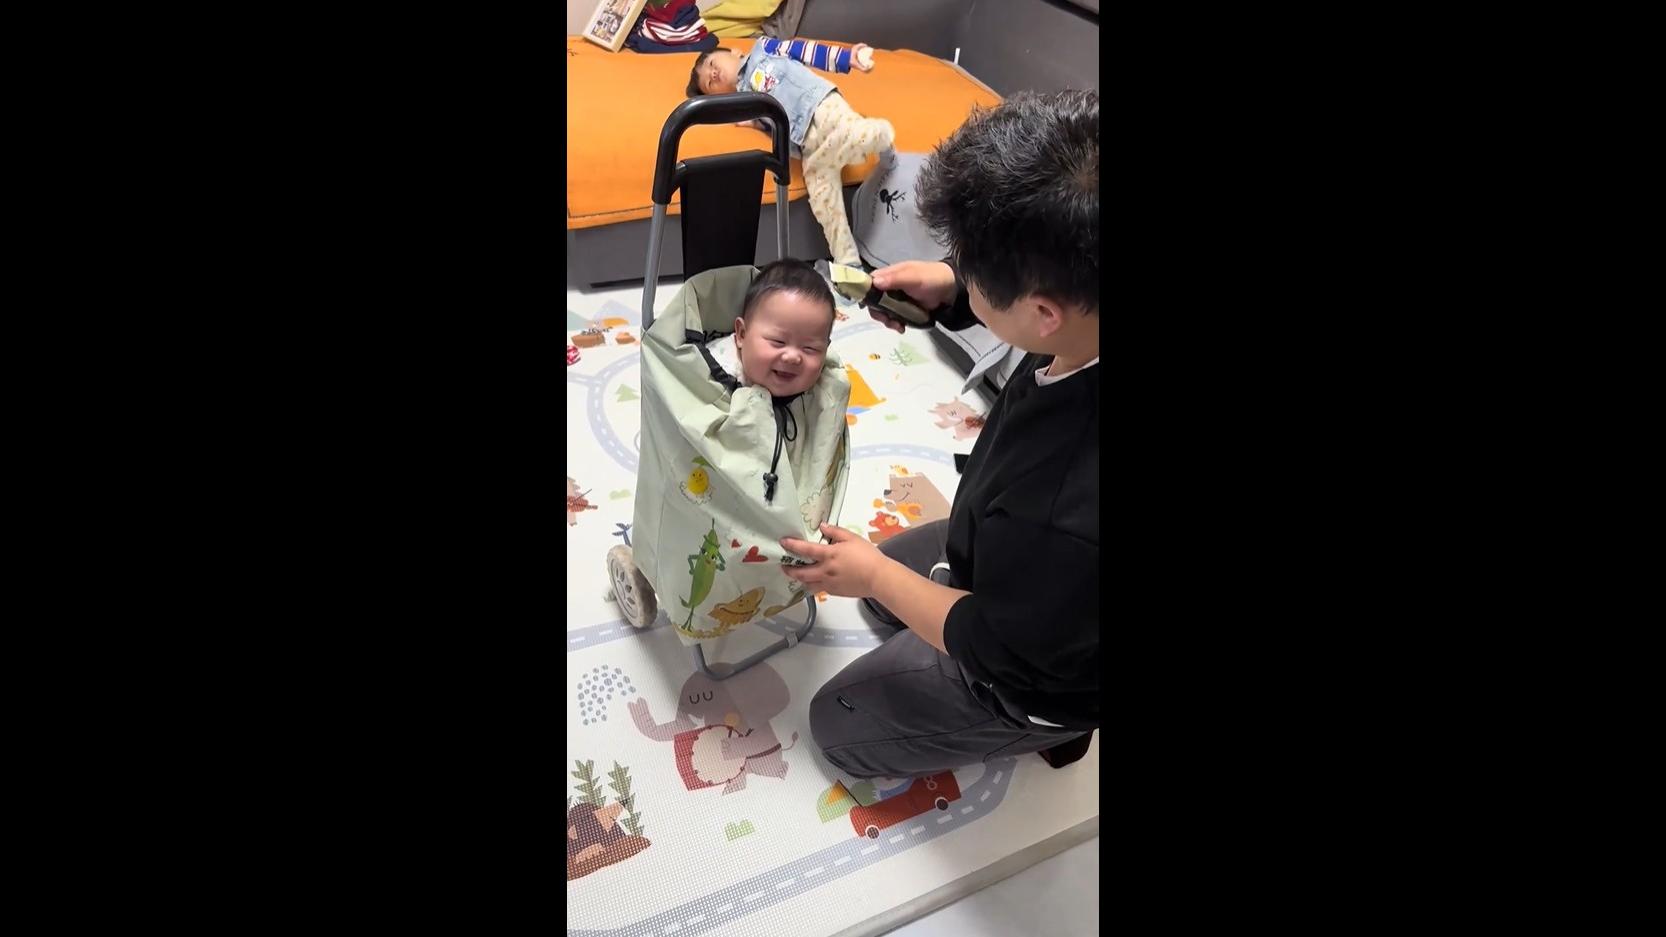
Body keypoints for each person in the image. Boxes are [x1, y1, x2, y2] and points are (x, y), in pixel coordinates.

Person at [779, 89, 1100, 779]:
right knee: (877, 584)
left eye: (975, 272)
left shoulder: (1067, 509)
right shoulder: (1079, 320)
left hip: (1030, 667)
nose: (963, 275)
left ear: (1045, 311)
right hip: (1021, 562)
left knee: (835, 721)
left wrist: (878, 575)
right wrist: (956, 288)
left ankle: (1052, 728)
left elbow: (992, 638)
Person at [687, 40, 891, 267]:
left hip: (821, 107)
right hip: (807, 146)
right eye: (709, 83)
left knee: (852, 133)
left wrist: (844, 58)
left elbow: (805, 50)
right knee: (823, 200)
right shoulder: (745, 104)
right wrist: (756, 124)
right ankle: (848, 262)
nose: (713, 74)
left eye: (713, 64)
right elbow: (771, 122)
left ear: (735, 52)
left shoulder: (763, 49)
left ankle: (879, 135)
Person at [706, 258, 838, 399]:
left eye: (810, 348)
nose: (792, 357)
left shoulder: (825, 383)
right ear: (742, 334)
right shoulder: (715, 376)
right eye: (778, 341)